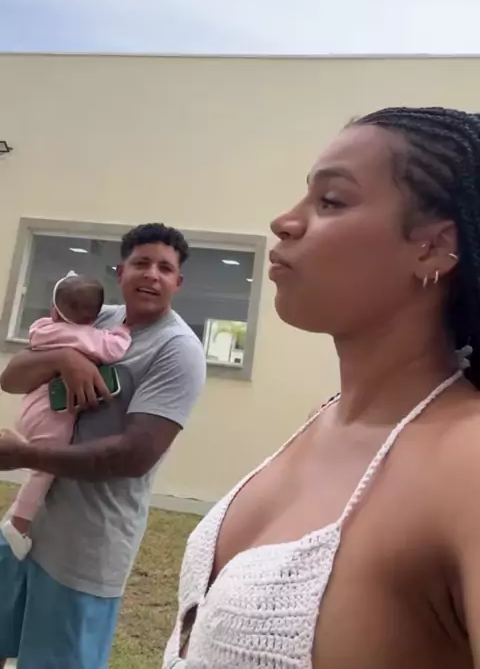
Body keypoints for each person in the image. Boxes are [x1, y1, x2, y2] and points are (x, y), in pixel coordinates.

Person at [163, 107, 480, 669]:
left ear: (432, 247)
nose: (284, 221)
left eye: (331, 201)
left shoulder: (466, 461)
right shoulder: (324, 418)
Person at [0, 222, 206, 669]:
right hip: (24, 526)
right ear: (120, 271)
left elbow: (135, 455)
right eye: (141, 263)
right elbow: (11, 378)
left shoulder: (177, 350)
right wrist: (63, 358)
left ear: (178, 281)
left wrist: (24, 454)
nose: (151, 274)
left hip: (86, 549)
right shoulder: (95, 316)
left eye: (165, 268)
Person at [1, 270, 132, 560]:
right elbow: (114, 349)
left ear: (54, 311)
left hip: (32, 405)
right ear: (94, 316)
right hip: (51, 415)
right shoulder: (88, 336)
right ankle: (19, 524)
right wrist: (122, 331)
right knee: (44, 467)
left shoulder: (43, 328)